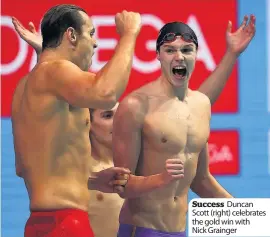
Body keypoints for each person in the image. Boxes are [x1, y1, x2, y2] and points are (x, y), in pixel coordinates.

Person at [112, 17, 256, 237]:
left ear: (197, 54)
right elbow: (122, 184)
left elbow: (202, 181)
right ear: (158, 55)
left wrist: (247, 221)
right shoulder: (135, 106)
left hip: (179, 231)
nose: (179, 56)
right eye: (170, 50)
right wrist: (158, 180)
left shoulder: (201, 105)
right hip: (142, 229)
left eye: (187, 50)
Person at [11, 4, 141, 237]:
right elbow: (105, 93)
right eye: (90, 34)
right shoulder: (55, 71)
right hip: (67, 224)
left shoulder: (24, 87)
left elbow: (26, 168)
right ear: (71, 35)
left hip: (38, 225)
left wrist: (90, 180)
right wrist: (129, 35)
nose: (95, 43)